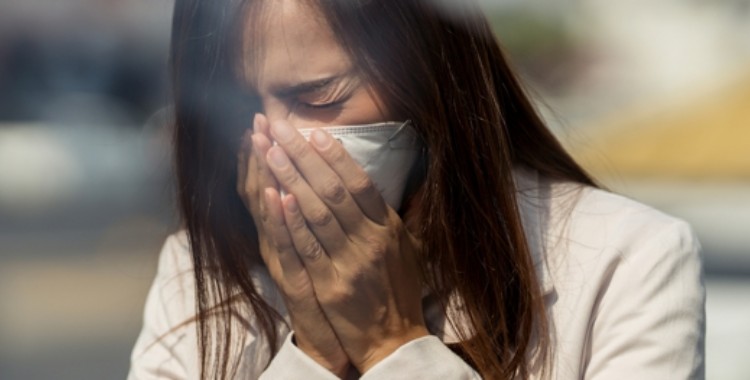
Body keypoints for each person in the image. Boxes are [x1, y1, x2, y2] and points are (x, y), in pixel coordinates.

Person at [127, 0, 705, 379]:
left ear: (432, 76)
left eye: (318, 98)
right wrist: (317, 353)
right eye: (243, 110)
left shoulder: (627, 262)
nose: (275, 142)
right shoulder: (199, 276)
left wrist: (389, 345)